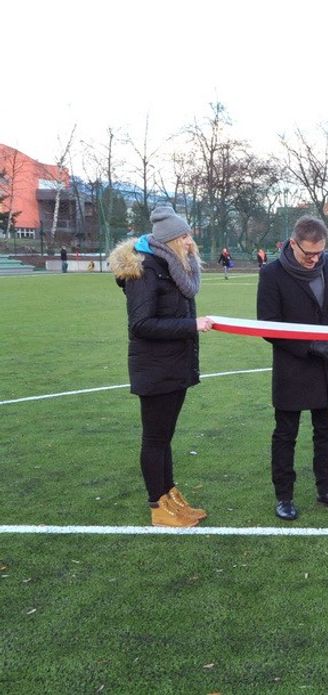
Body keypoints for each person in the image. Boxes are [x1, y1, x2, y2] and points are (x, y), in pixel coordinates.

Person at [109, 205, 213, 527]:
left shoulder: (172, 266)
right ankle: (158, 506)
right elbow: (141, 324)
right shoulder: (145, 270)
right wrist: (191, 325)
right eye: (183, 236)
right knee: (155, 438)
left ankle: (170, 495)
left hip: (174, 366)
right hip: (155, 369)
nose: (189, 242)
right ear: (168, 240)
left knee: (165, 436)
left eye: (188, 235)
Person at [256, 216, 328, 521]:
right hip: (294, 368)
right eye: (308, 254)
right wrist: (310, 346)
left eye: (319, 253)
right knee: (286, 434)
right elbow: (269, 326)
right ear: (292, 244)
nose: (315, 260)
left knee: (325, 432)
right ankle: (284, 497)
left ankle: (327, 491)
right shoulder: (272, 273)